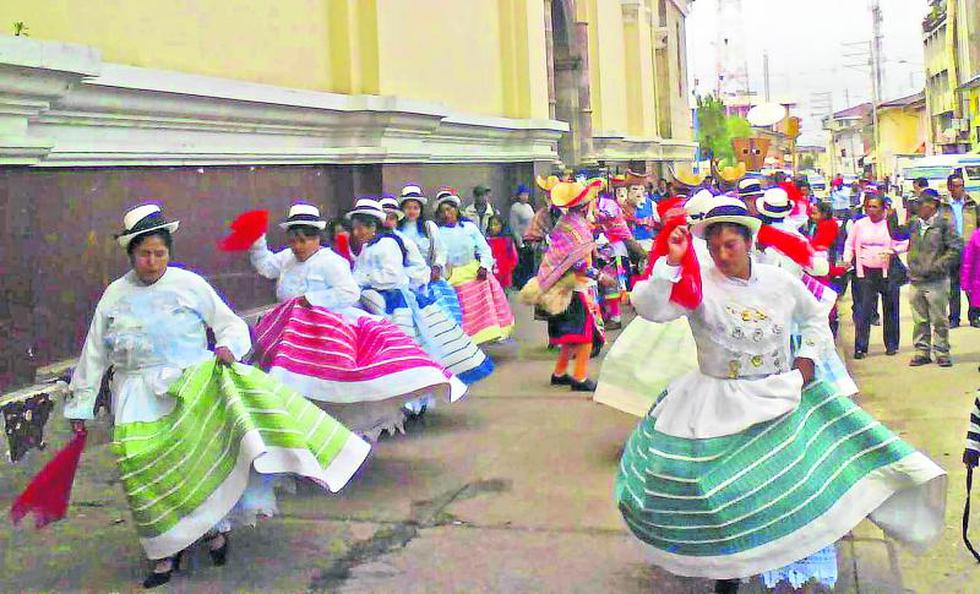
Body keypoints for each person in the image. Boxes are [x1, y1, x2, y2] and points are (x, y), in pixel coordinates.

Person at [616, 197, 946, 594]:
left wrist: (807, 359)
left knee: (797, 486)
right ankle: (728, 573)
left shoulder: (780, 282)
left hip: (782, 396)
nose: (722, 255)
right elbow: (651, 308)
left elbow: (815, 316)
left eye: (731, 245)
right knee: (717, 494)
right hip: (715, 405)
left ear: (749, 242)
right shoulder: (696, 282)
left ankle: (781, 562)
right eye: (715, 246)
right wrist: (671, 262)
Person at [67, 205, 371, 588]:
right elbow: (95, 351)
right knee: (140, 467)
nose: (152, 261)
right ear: (130, 253)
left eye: (160, 253)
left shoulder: (189, 285)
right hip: (135, 393)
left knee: (195, 462)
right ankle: (163, 551)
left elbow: (228, 324)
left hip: (192, 388)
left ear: (169, 253)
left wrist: (228, 346)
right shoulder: (115, 295)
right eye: (144, 254)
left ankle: (214, 530)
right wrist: (81, 402)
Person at [248, 203, 463, 436]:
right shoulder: (287, 258)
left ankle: (334, 429)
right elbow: (266, 267)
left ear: (316, 239)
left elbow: (349, 292)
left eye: (304, 240)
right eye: (294, 241)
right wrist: (256, 240)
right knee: (286, 378)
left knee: (329, 382)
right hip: (291, 329)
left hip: (324, 330)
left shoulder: (330, 262)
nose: (298, 247)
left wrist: (313, 299)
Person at [349, 198, 494, 385]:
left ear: (373, 226)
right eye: (355, 228)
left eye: (360, 228)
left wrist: (366, 280)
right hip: (377, 301)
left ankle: (415, 396)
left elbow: (392, 277)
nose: (356, 232)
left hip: (395, 303)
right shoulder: (369, 247)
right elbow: (359, 273)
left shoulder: (388, 244)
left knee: (408, 348)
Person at [519, 179, 606, 391]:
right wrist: (600, 276)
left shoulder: (569, 222)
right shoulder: (574, 226)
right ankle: (580, 377)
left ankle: (559, 373)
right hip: (575, 287)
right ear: (585, 205)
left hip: (574, 286)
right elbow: (576, 263)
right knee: (586, 336)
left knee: (572, 336)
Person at [887, 189, 963, 367]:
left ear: (931, 205)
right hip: (916, 279)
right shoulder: (914, 223)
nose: (917, 207)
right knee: (920, 319)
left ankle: (942, 352)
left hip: (936, 280)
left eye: (920, 204)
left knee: (939, 319)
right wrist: (890, 218)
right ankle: (922, 352)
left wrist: (939, 265)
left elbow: (956, 248)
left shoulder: (944, 224)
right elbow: (898, 235)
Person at [435, 188, 516, 344]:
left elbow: (484, 249)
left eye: (450, 208)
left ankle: (481, 339)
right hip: (451, 275)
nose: (447, 213)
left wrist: (484, 266)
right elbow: (439, 254)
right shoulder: (438, 232)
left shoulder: (469, 228)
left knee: (480, 310)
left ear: (456, 209)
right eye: (443, 210)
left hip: (473, 272)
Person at [842, 193, 908, 358]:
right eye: (869, 207)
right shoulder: (859, 224)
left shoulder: (890, 224)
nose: (871, 210)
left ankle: (891, 344)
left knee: (891, 308)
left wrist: (894, 251)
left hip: (888, 272)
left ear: (883, 208)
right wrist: (847, 259)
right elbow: (849, 244)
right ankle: (861, 347)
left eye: (875, 207)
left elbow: (906, 242)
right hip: (864, 273)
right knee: (863, 310)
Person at [395, 184, 463, 325]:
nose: (412, 211)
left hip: (429, 277)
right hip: (405, 279)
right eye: (408, 208)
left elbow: (441, 250)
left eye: (415, 208)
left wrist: (437, 267)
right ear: (402, 210)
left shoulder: (428, 227)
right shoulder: (397, 230)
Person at [941, 173, 978, 327]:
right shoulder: (943, 206)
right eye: (956, 186)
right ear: (949, 187)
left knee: (973, 285)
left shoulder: (972, 204)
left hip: (970, 249)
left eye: (961, 186)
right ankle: (954, 317)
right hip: (951, 249)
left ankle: (974, 316)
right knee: (953, 286)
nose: (959, 189)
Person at [508, 184, 536, 288]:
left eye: (527, 195)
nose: (525, 197)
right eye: (523, 195)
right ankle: (520, 284)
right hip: (521, 240)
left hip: (530, 239)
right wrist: (519, 242)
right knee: (521, 263)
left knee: (529, 263)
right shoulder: (515, 208)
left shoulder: (528, 207)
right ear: (518, 195)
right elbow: (513, 226)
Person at [486, 214, 518, 289]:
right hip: (490, 278)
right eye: (491, 225)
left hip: (504, 278)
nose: (493, 227)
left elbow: (514, 259)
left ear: (501, 225)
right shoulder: (486, 242)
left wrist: (507, 270)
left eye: (496, 224)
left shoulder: (507, 241)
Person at [962, 223, 980, 328]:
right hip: (977, 277)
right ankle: (974, 317)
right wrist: (965, 282)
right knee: (975, 300)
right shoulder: (976, 236)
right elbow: (968, 261)